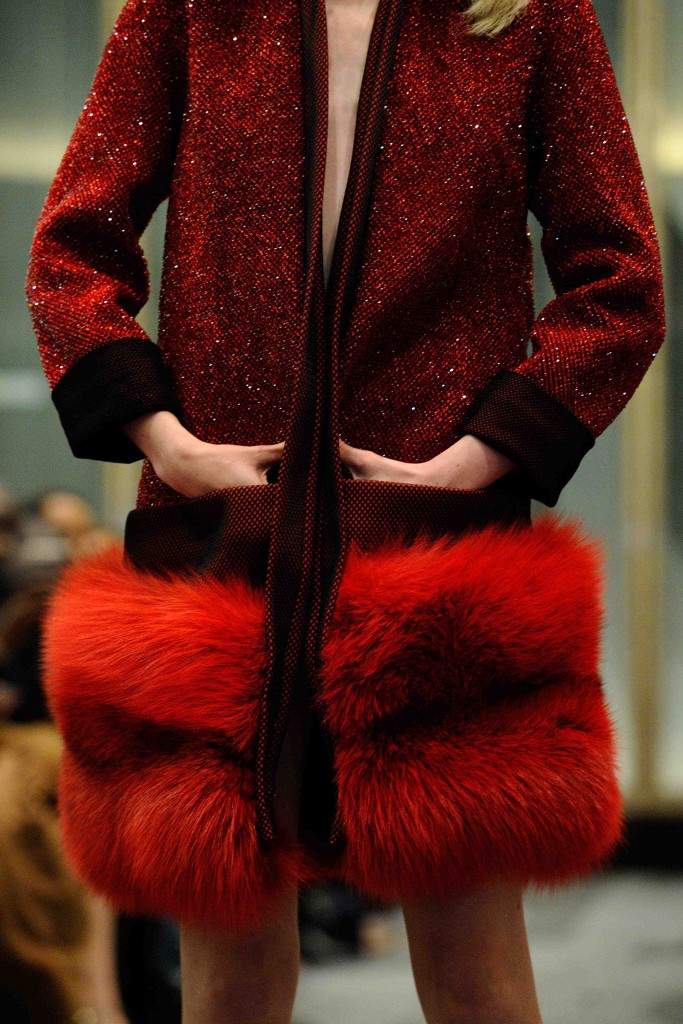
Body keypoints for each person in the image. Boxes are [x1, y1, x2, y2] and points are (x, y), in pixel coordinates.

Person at [25, 0, 666, 1022]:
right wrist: (169, 444)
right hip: (218, 555)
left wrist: (472, 462)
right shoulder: (191, 12)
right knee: (229, 988)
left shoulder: (526, 15)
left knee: (477, 984)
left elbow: (617, 279)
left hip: (441, 566)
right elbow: (73, 251)